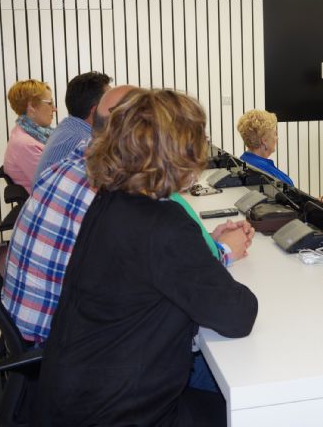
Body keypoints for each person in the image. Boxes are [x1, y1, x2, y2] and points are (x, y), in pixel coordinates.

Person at [33, 88, 258, 426]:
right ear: (179, 151)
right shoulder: (161, 225)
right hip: (120, 411)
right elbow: (238, 314)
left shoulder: (111, 200)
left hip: (77, 396)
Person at [2, 85, 253, 345]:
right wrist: (220, 250)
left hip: (48, 340)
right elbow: (234, 313)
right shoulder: (132, 206)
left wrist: (203, 242)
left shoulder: (73, 170)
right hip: (70, 346)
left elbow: (155, 257)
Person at [33, 71, 111, 182]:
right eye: (112, 107)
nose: (117, 112)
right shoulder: (85, 142)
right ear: (95, 110)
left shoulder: (67, 127)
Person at [3, 79, 57, 192]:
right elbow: (54, 185)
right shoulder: (25, 145)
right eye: (50, 103)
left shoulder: (32, 134)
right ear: (32, 107)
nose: (54, 109)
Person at [237, 109, 293, 186]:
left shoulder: (241, 161)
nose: (277, 138)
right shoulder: (279, 179)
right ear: (264, 141)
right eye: (275, 134)